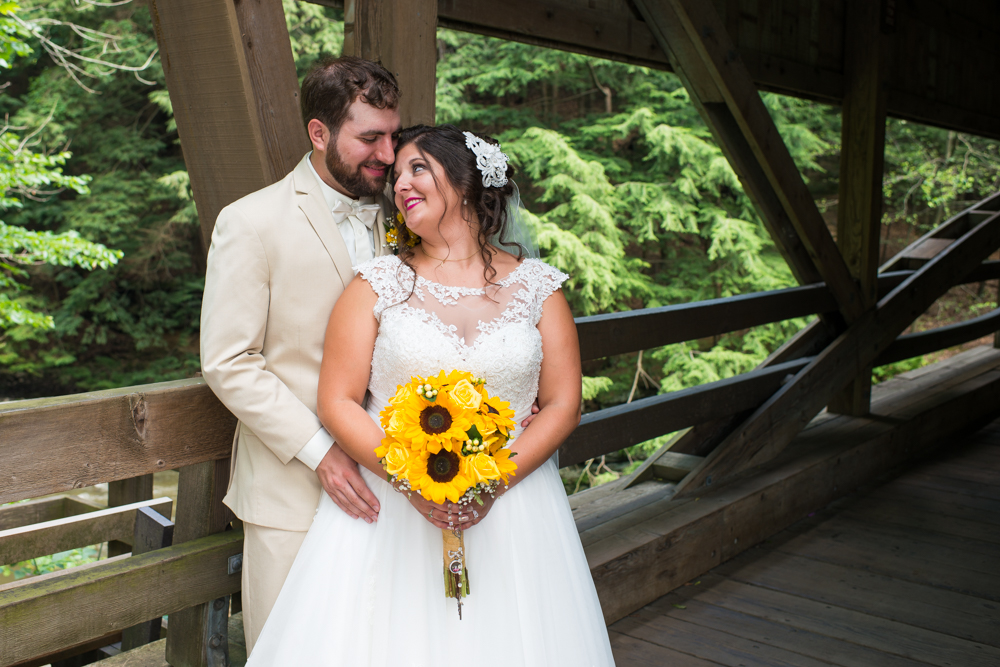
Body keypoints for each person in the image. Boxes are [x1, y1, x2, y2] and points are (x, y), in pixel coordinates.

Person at [245, 124, 616, 666]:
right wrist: (414, 482)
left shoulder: (540, 289)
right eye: (396, 175)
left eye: (418, 168)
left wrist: (489, 485)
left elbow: (563, 404)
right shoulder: (375, 283)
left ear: (467, 183)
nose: (400, 184)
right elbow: (339, 402)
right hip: (389, 509)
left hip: (514, 507)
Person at [199, 56, 403, 652]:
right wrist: (321, 454)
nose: (388, 156)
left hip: (398, 486)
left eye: (393, 136)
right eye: (370, 138)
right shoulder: (250, 222)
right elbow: (228, 361)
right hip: (293, 491)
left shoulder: (408, 214)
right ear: (319, 134)